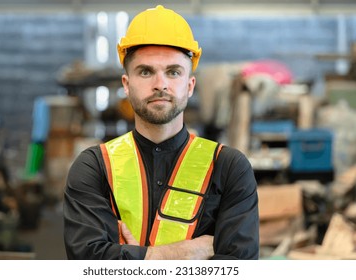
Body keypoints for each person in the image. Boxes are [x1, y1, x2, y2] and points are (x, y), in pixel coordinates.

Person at [63, 5, 259, 260]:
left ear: (190, 86)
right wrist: (179, 253)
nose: (160, 84)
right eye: (146, 72)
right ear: (127, 84)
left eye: (173, 72)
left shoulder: (229, 167)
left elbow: (238, 268)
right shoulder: (94, 167)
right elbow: (87, 262)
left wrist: (133, 257)